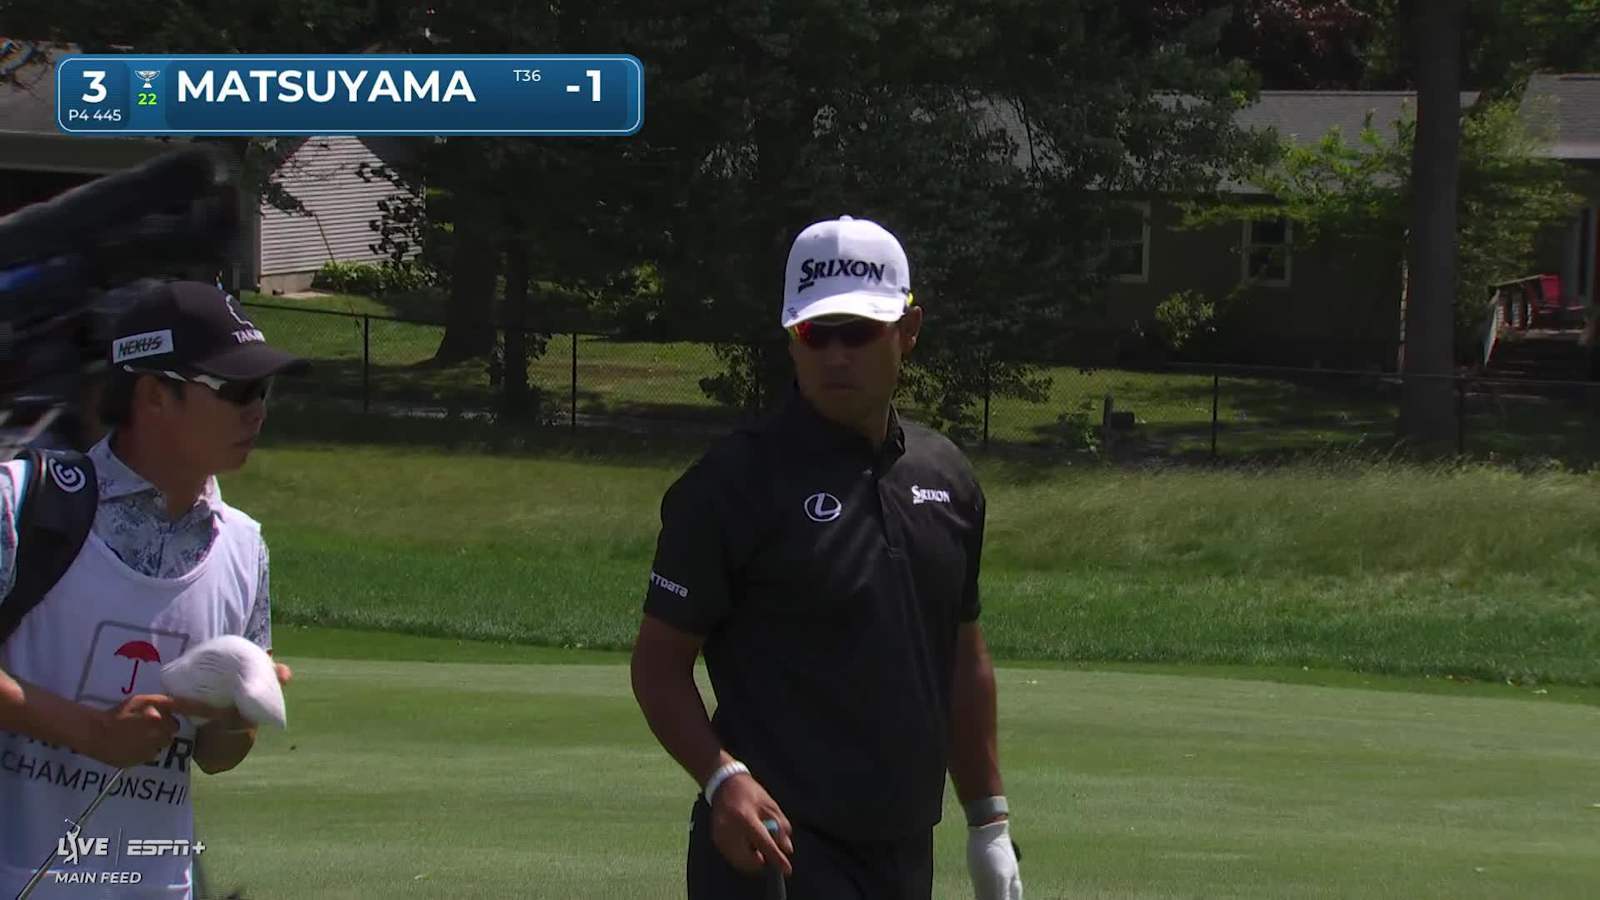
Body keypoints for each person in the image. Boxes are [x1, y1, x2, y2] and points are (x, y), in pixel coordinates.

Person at [631, 216, 1024, 899]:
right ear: (792, 338)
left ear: (908, 331)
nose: (835, 355)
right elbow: (659, 666)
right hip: (772, 850)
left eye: (859, 332)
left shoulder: (948, 478)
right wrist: (724, 780)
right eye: (817, 333)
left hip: (903, 850)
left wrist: (987, 823)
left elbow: (963, 657)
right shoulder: (729, 486)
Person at [0, 281, 303, 898]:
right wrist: (89, 732)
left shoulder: (246, 547)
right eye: (236, 390)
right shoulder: (21, 501)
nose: (258, 412)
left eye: (263, 391)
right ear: (153, 395)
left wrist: (235, 709)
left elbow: (216, 756)